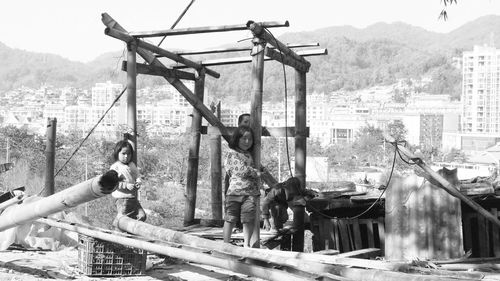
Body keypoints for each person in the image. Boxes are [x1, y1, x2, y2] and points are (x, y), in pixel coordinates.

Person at [223, 125, 262, 247]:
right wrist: (256, 173)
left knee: (248, 219)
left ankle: (246, 245)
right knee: (230, 218)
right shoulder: (231, 154)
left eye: (250, 139)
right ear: (237, 139)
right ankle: (225, 243)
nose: (247, 142)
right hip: (235, 192)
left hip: (250, 193)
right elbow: (241, 171)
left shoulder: (249, 154)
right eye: (244, 138)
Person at [110, 140, 146, 227]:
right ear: (117, 153)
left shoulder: (132, 165)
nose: (126, 156)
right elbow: (113, 183)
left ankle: (130, 231)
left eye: (129, 154)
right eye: (123, 153)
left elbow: (137, 175)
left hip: (132, 197)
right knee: (124, 219)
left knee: (142, 216)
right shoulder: (115, 167)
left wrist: (138, 181)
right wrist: (126, 186)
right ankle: (117, 230)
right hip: (121, 199)